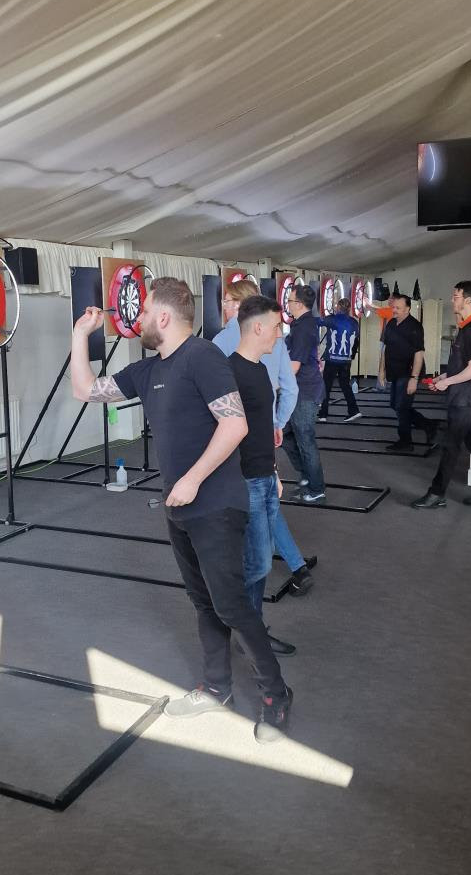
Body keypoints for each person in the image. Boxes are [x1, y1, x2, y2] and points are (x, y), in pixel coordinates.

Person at [70, 277, 292, 742]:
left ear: (164, 317)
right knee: (203, 601)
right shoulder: (148, 370)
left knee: (230, 603)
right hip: (180, 508)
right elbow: (85, 391)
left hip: (215, 505)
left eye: (146, 310)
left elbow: (234, 425)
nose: (141, 319)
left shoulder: (203, 357)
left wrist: (192, 479)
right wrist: (79, 336)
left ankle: (276, 693)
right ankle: (216, 686)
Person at [214, 279, 314, 594]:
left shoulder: (221, 343)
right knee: (265, 508)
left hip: (239, 445)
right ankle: (295, 565)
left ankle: (239, 609)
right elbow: (290, 388)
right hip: (264, 437)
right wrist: (277, 424)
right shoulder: (272, 346)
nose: (224, 307)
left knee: (258, 515)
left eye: (228, 301)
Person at [227, 295, 298, 655]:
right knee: (254, 563)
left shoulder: (258, 369)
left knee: (261, 558)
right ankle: (249, 632)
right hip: (245, 482)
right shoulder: (231, 372)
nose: (278, 334)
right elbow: (223, 433)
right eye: (275, 328)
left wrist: (274, 471)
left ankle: (249, 628)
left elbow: (260, 429)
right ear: (257, 328)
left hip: (264, 476)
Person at [411, 281, 471, 509]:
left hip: (466, 399)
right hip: (467, 397)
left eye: (456, 296)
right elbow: (462, 365)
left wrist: (447, 383)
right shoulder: (467, 327)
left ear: (468, 300)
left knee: (450, 445)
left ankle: (436, 493)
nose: (452, 300)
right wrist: (443, 378)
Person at [283, 283, 326, 502]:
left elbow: (294, 366)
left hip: (305, 392)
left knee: (305, 439)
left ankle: (316, 488)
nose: (287, 304)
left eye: (289, 301)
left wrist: (275, 385)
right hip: (301, 389)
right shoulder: (302, 324)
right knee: (286, 434)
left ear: (298, 304)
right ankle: (307, 477)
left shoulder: (303, 328)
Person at [380, 295, 436, 451]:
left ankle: (406, 442)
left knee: (401, 407)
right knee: (395, 405)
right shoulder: (391, 323)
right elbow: (385, 349)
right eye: (393, 307)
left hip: (409, 372)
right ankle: (428, 425)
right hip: (394, 371)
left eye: (398, 308)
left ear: (407, 309)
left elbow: (419, 354)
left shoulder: (415, 327)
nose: (394, 310)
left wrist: (414, 378)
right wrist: (381, 372)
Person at [317, 298, 361, 422]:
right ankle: (354, 410)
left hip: (333, 359)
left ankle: (323, 414)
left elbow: (317, 322)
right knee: (345, 385)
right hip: (346, 360)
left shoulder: (333, 319)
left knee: (326, 385)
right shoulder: (354, 322)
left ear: (338, 307)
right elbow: (355, 340)